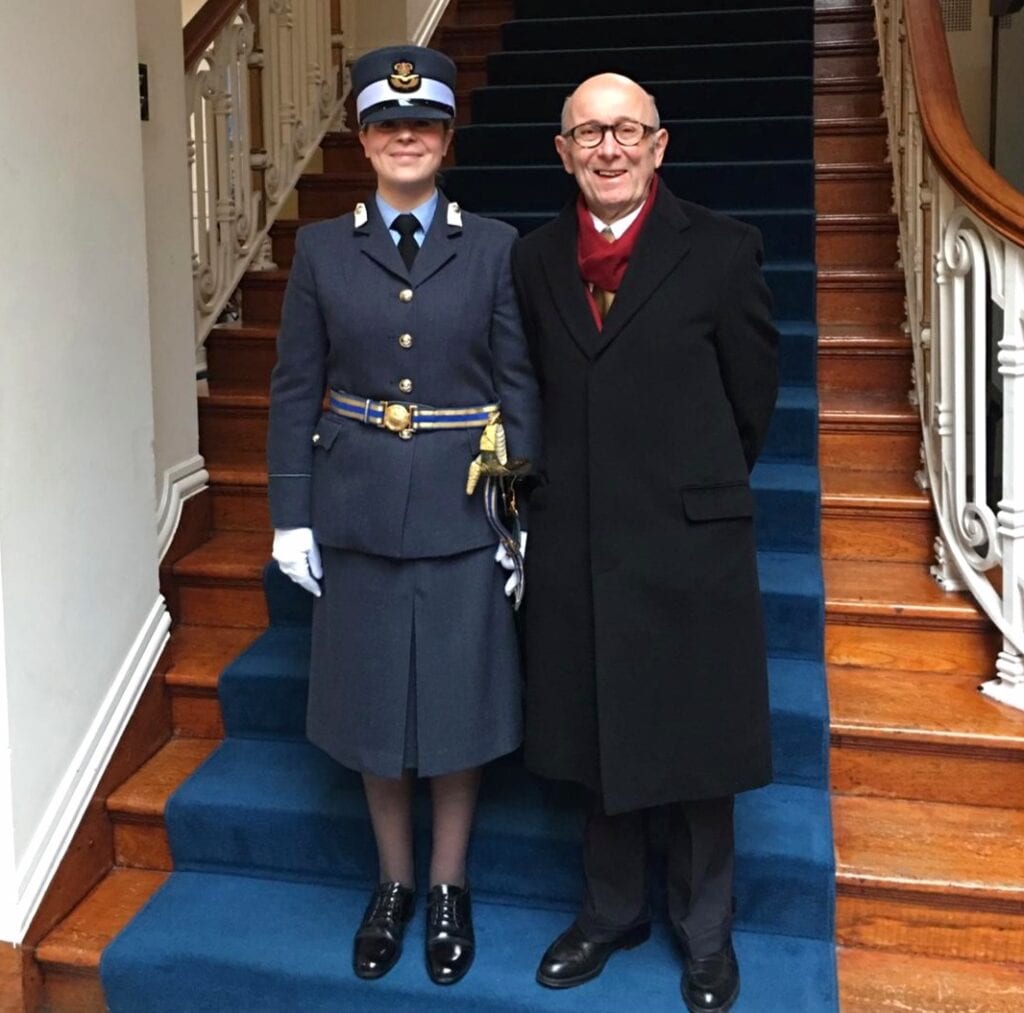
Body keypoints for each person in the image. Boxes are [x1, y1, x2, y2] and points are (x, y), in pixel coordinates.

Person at [266, 45, 540, 987]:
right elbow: (297, 386)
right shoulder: (321, 248)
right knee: (376, 707)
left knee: (457, 710)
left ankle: (450, 884)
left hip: (466, 514)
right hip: (357, 510)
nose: (406, 137)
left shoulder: (495, 244)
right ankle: (392, 885)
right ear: (363, 138)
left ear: (449, 136)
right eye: (388, 123)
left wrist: (520, 514)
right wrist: (290, 515)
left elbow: (519, 386)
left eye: (422, 124)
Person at [510, 73, 779, 1012]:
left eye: (627, 131)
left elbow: (752, 404)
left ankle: (707, 934)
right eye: (589, 133)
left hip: (690, 540)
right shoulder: (535, 260)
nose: (609, 148)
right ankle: (612, 910)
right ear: (564, 152)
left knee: (699, 743)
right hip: (579, 539)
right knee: (600, 729)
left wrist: (690, 489)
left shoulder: (724, 249)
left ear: (660, 145)